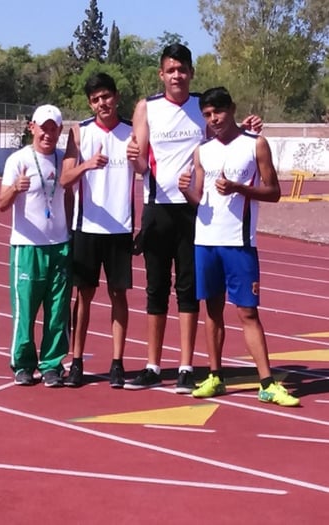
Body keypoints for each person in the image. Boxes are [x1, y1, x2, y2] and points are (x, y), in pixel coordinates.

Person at [124, 43, 262, 393]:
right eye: (170, 70)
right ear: (161, 74)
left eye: (182, 69)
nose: (177, 76)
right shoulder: (147, 108)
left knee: (189, 289)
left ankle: (186, 366)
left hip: (194, 209)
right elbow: (141, 162)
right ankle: (153, 365)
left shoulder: (202, 108)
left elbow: (226, 134)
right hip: (156, 206)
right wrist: (132, 157)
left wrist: (246, 125)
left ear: (191, 73)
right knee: (155, 288)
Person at [178, 86, 300, 407]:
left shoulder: (255, 144)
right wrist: (186, 191)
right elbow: (199, 198)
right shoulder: (201, 151)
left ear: (231, 109)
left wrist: (238, 189)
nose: (214, 119)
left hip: (239, 243)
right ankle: (215, 376)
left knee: (247, 312)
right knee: (212, 311)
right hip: (205, 242)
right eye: (207, 114)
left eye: (218, 111)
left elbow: (274, 191)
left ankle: (267, 382)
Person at [60, 72, 135, 388]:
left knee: (119, 294)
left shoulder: (133, 133)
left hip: (120, 227)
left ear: (116, 96)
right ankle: (76, 361)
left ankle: (117, 363)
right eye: (95, 99)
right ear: (90, 103)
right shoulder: (79, 133)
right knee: (84, 295)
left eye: (106, 96)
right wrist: (86, 165)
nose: (102, 103)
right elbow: (65, 179)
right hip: (87, 227)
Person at [0, 104, 72, 387]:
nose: (48, 134)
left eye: (53, 128)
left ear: (59, 131)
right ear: (33, 128)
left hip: (60, 246)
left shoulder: (64, 159)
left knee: (57, 311)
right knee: (25, 310)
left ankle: (52, 364)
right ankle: (23, 364)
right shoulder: (18, 160)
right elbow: (1, 205)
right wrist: (16, 187)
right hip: (27, 248)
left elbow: (68, 197)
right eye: (43, 128)